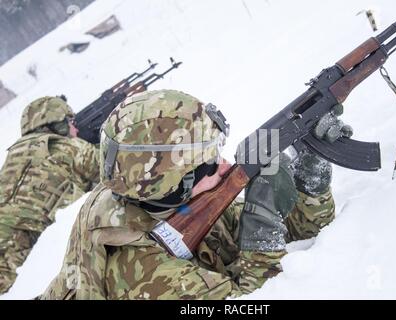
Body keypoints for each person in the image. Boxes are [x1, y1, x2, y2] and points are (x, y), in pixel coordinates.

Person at [41, 90, 347, 300]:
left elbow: (300, 232)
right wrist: (261, 229)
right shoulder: (142, 273)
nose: (225, 165)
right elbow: (265, 298)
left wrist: (310, 179)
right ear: (176, 183)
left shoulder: (180, 207)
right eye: (210, 162)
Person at [0, 96, 100, 294]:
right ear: (57, 124)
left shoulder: (16, 154)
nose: (75, 129)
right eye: (70, 122)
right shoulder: (67, 147)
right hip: (23, 253)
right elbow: (115, 167)